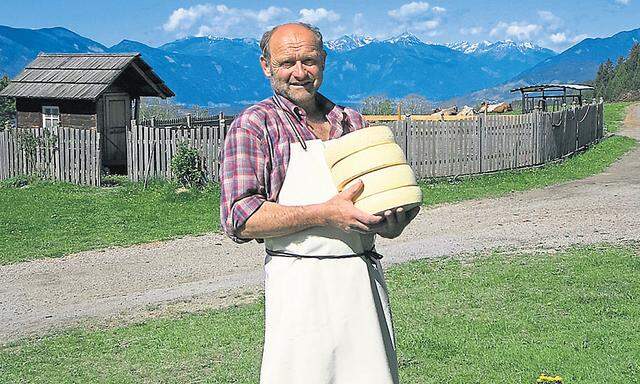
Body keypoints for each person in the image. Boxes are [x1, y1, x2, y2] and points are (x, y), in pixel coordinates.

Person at [219, 22, 420, 384]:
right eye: (286, 63)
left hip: (361, 283)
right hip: (300, 289)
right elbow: (240, 217)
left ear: (324, 61)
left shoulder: (352, 122)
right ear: (266, 66)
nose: (300, 72)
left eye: (309, 60)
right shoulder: (254, 125)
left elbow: (381, 200)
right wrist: (326, 214)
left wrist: (393, 220)